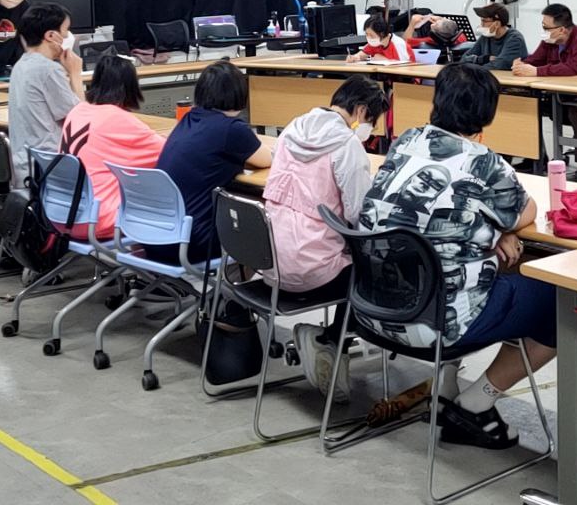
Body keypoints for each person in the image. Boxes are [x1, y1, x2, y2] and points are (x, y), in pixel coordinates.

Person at [359, 64, 554, 449]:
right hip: (436, 324)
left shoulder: (405, 141)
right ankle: (475, 402)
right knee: (559, 302)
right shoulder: (483, 163)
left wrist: (487, 234)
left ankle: (445, 387)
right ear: (488, 114)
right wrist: (502, 231)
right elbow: (526, 213)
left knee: (454, 268)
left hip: (373, 311)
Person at [264, 75, 390, 401]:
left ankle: (330, 343)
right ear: (361, 111)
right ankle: (330, 340)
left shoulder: (293, 127)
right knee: (374, 266)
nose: (370, 132)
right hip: (313, 271)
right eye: (372, 123)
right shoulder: (346, 147)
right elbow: (359, 216)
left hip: (268, 260)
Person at [139, 60, 271, 266]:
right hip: (193, 242)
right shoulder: (231, 128)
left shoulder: (189, 119)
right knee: (264, 223)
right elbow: (266, 159)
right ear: (239, 93)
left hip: (155, 235)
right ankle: (245, 292)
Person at [59, 55, 165, 240]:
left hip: (62, 213)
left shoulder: (77, 111)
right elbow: (171, 152)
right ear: (131, 86)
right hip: (97, 218)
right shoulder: (117, 118)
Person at [513, 4, 577, 180]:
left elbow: (576, 69)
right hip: (561, 96)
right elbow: (535, 59)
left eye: (546, 27)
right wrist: (521, 64)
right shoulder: (550, 40)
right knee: (527, 103)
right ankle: (536, 156)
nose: (543, 31)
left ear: (562, 29)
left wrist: (537, 71)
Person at [7, 3, 86, 186]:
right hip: (49, 168)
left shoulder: (21, 65)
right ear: (51, 35)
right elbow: (81, 118)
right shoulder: (48, 69)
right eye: (66, 30)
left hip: (26, 164)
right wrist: (75, 73)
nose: (68, 36)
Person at [460, 3, 528, 71]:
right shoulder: (486, 37)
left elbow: (499, 65)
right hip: (489, 78)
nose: (481, 24)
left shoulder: (515, 39)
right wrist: (483, 59)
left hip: (507, 80)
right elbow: (463, 59)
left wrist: (475, 71)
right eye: (481, 21)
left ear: (497, 24)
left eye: (484, 21)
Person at [346, 13, 411, 63]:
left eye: (371, 35)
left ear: (381, 33)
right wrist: (354, 57)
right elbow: (361, 55)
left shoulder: (398, 44)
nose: (368, 38)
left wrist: (384, 60)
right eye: (366, 34)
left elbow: (404, 65)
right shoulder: (374, 44)